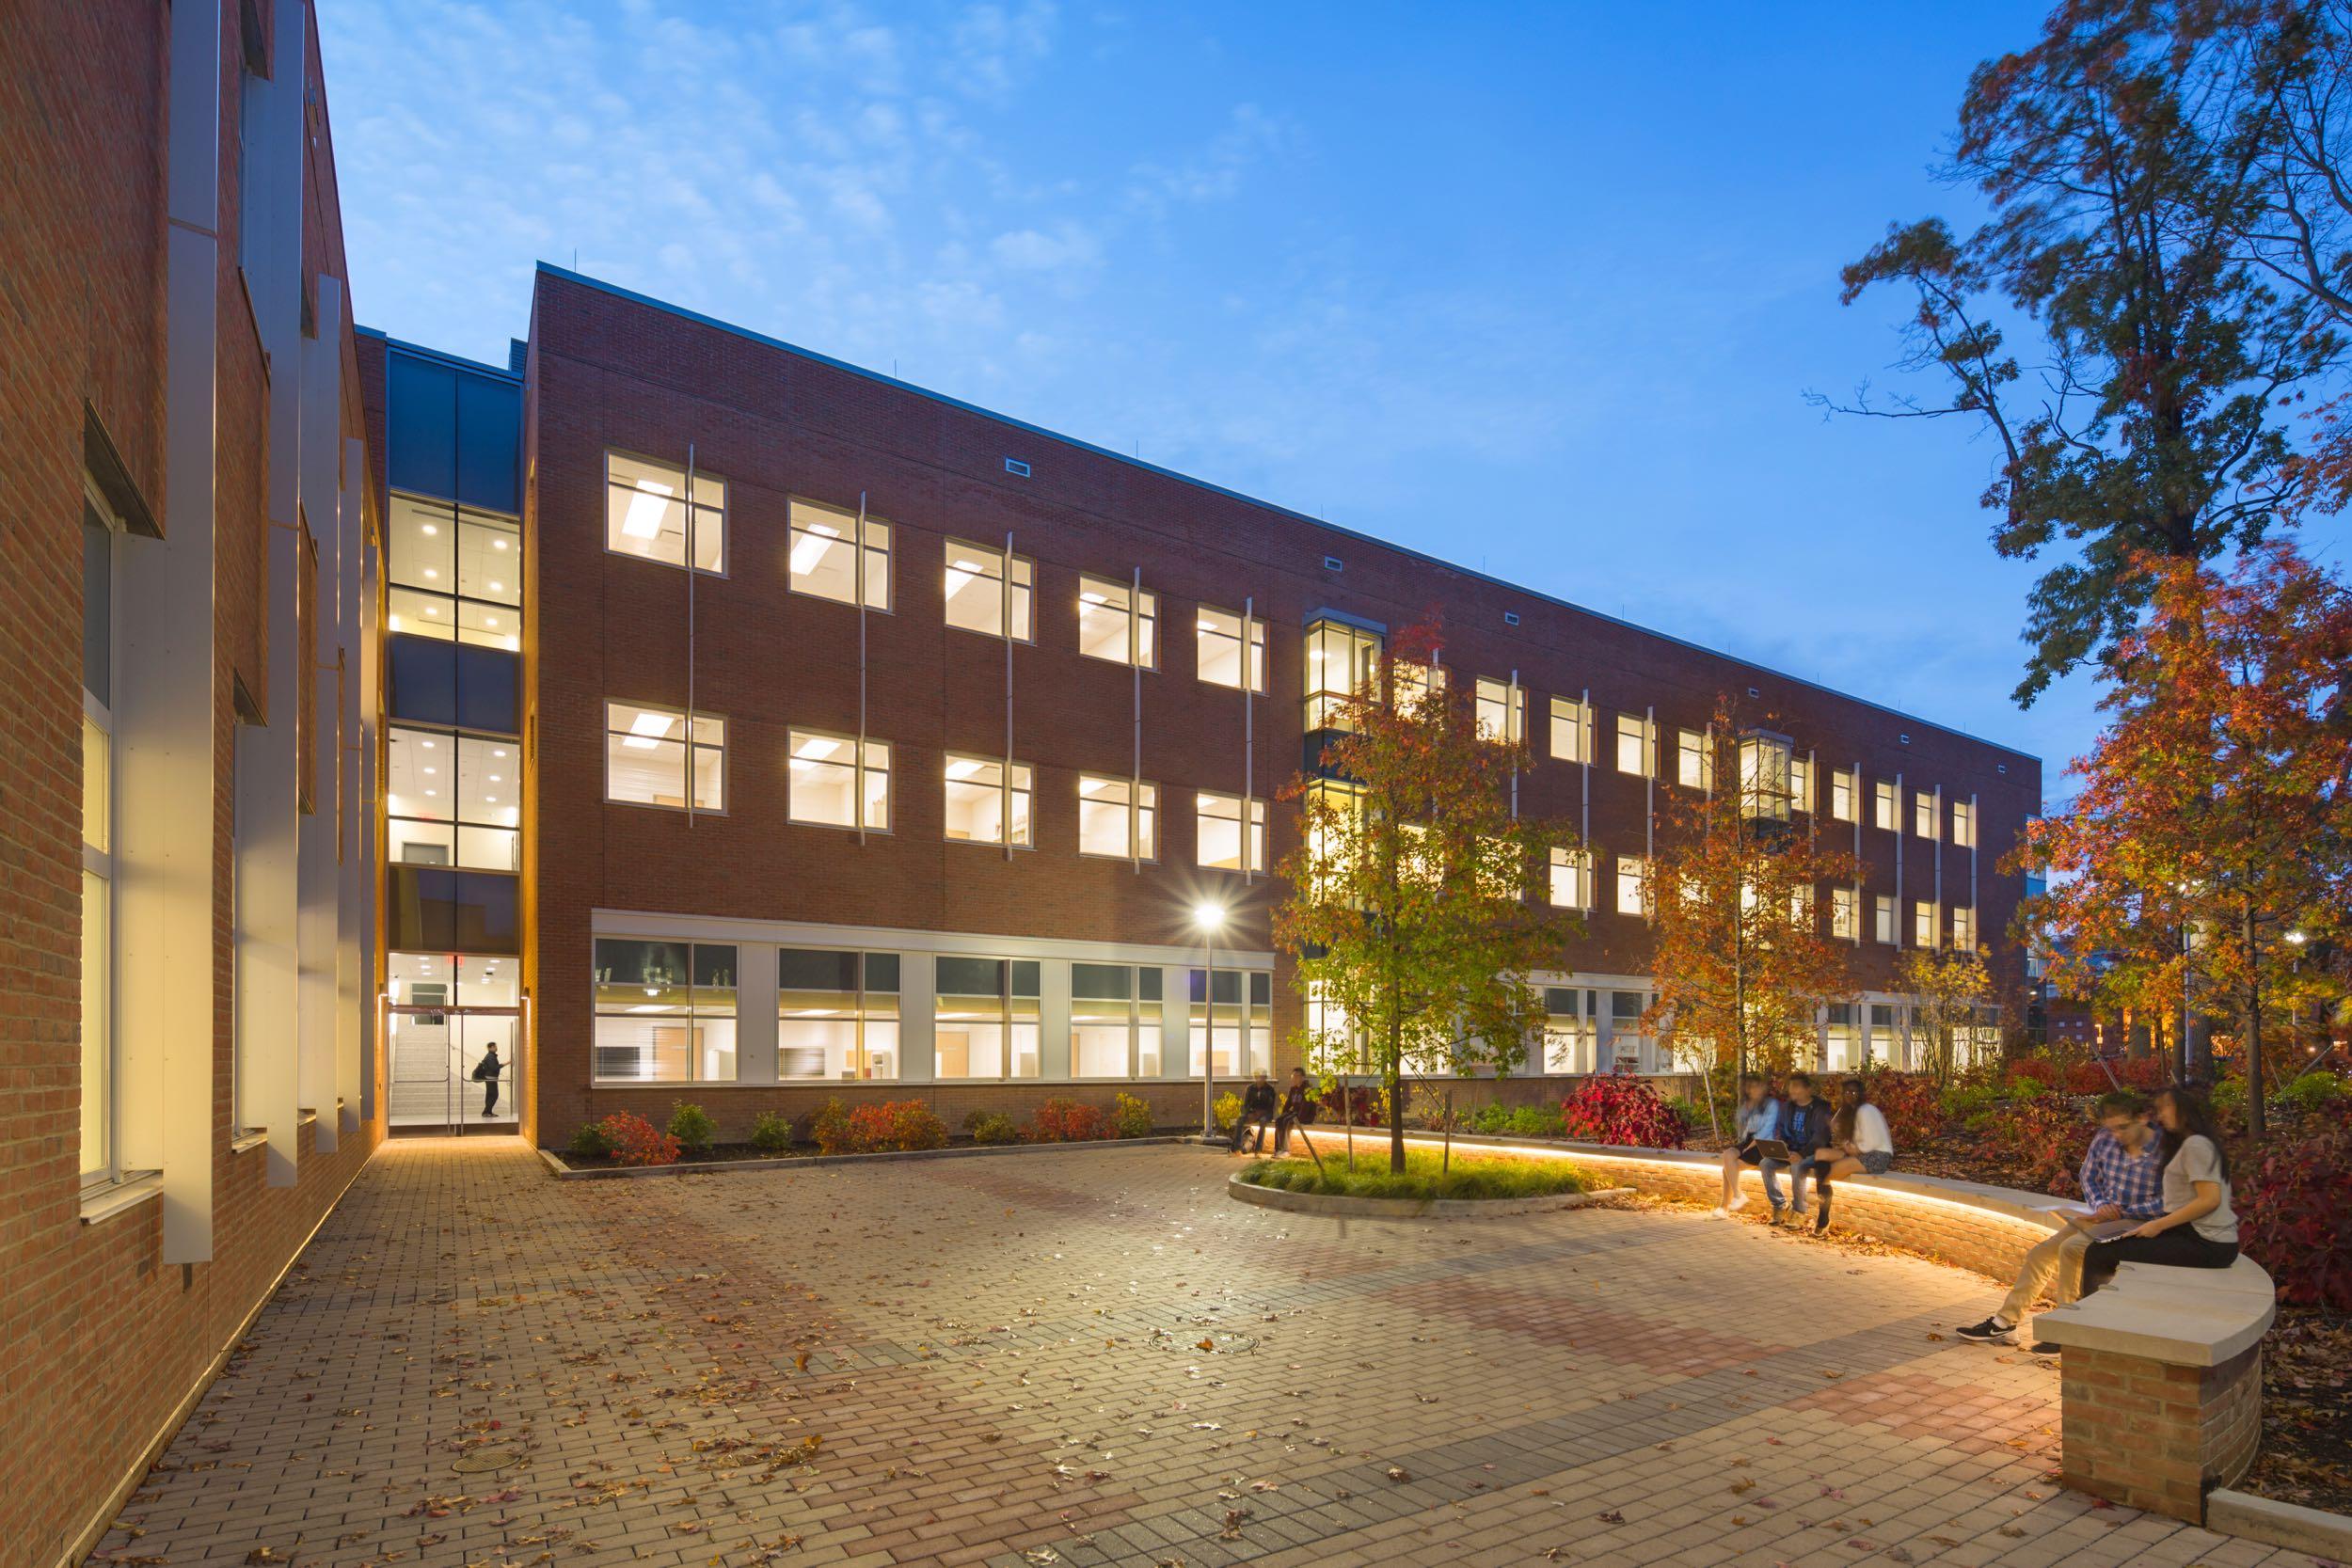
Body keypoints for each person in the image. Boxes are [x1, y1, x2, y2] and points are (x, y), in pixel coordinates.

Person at [1955, 1091, 2163, 1352]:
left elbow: (2170, 1202)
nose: (2117, 1135)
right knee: (2040, 1255)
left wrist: (2124, 1210)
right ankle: (2004, 1323)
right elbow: (2088, 1177)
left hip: (2140, 1222)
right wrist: (2100, 1205)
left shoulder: (2165, 1150)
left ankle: (2067, 1327)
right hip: (2102, 1215)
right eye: (2112, 1129)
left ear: (2143, 1118)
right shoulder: (2105, 1139)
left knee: (2072, 1249)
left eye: (2122, 1128)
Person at [2078, 1084, 2239, 1295]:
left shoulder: (2196, 1145)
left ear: (2185, 1108)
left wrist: (2158, 1225)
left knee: (2099, 1254)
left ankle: (2093, 1316)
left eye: (2165, 1108)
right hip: (2190, 1233)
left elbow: (2209, 1200)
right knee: (2106, 1245)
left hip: (2208, 1242)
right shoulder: (2187, 1143)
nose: (2160, 1115)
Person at [1808, 1076, 1893, 1234]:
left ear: (1861, 1093)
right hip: (1859, 1152)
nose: (1850, 1095)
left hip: (1877, 1156)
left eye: (1854, 1092)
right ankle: (1821, 1194)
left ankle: (1822, 1218)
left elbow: (1873, 1142)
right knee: (1821, 1154)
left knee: (1828, 1172)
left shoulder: (1867, 1110)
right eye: (1846, 1092)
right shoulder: (1849, 1110)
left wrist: (1855, 1148)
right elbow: (1834, 1129)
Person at [1711, 1073, 1783, 1218]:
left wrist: (1745, 1149)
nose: (1752, 1090)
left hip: (1764, 1143)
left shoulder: (1772, 1104)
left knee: (1728, 1168)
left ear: (1763, 1088)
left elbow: (1766, 1130)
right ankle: (1738, 1195)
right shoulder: (1750, 1104)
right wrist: (1747, 1107)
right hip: (1749, 1139)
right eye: (1750, 1087)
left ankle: (1724, 1207)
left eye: (1756, 1087)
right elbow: (1741, 1120)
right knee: (1728, 1155)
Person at [1775, 1073, 1828, 1222]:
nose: (1791, 1091)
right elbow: (1780, 1129)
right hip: (1792, 1150)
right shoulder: (1788, 1107)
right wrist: (1782, 1144)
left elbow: (1820, 1138)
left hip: (1813, 1152)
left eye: (1796, 1087)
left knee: (1797, 1166)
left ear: (1808, 1089)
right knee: (1765, 1164)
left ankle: (1799, 1211)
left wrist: (1801, 1154)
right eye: (1790, 1087)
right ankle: (1779, 1205)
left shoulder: (1820, 1108)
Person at [1229, 1070, 1278, 1153]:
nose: (1260, 1079)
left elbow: (1270, 1106)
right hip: (1253, 1113)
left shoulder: (1270, 1089)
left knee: (1263, 1121)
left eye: (1262, 1077)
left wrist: (1259, 1113)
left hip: (1265, 1113)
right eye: (1258, 1077)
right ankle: (1237, 1148)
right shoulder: (1250, 1088)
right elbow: (1246, 1105)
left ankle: (1258, 1150)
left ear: (1265, 1078)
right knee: (1240, 1120)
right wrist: (1248, 1114)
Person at [1272, 1067, 1315, 1154]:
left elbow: (1305, 1106)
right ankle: (1277, 1149)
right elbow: (1288, 1103)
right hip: (1294, 1113)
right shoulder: (1293, 1089)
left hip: (1305, 1116)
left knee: (1286, 1122)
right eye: (1293, 1076)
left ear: (1303, 1077)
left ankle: (1285, 1150)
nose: (1294, 1078)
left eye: (1297, 1076)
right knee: (1279, 1120)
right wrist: (1283, 1114)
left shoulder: (1308, 1089)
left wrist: (1298, 1118)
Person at [471, 1042, 503, 1117]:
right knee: (494, 1095)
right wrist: (506, 1063)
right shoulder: (490, 1056)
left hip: (490, 1078)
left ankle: (488, 1112)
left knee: (490, 1095)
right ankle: (486, 1112)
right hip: (490, 1079)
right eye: (494, 1046)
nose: (496, 1048)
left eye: (496, 1046)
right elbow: (494, 1068)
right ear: (490, 1048)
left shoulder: (491, 1056)